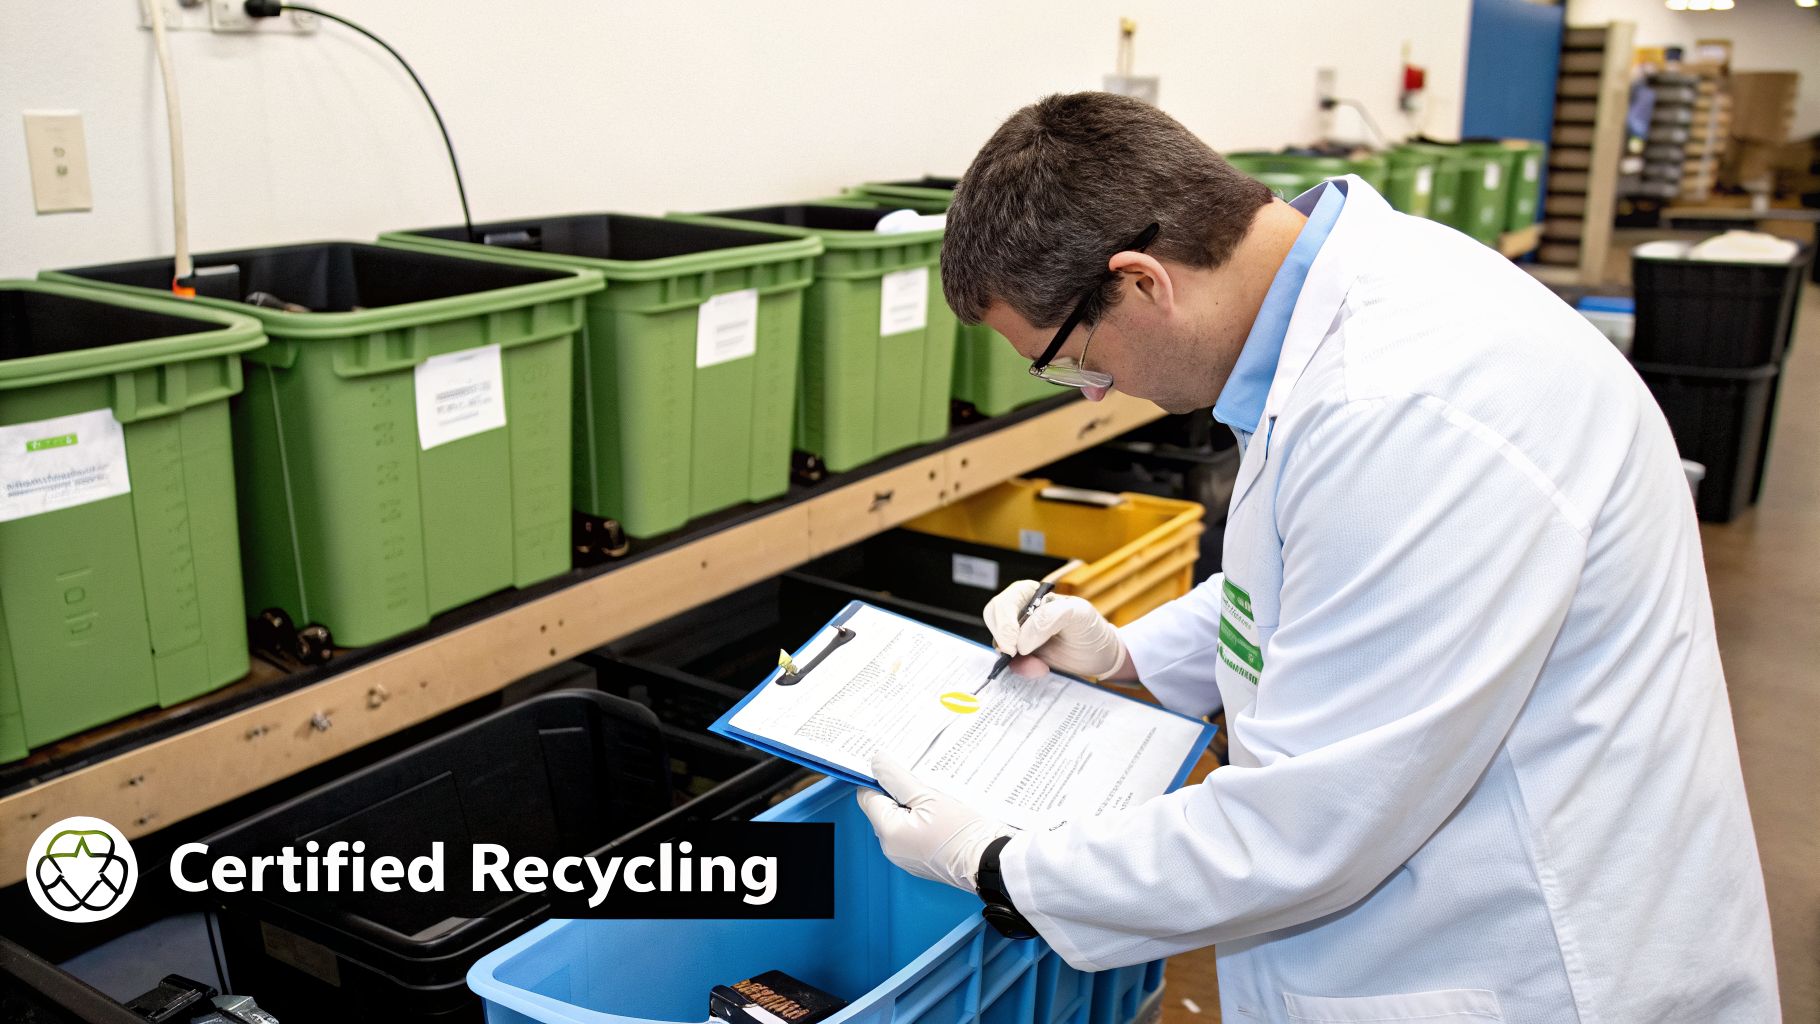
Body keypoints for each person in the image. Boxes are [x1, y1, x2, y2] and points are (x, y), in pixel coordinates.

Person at [856, 92, 1778, 1023]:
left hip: (1536, 958)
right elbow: (1333, 573)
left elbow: (1311, 828)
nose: (1092, 394)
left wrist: (1001, 864)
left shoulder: (1408, 404)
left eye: (1068, 356)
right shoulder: (1330, 307)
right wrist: (1131, 653)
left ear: (1141, 282)